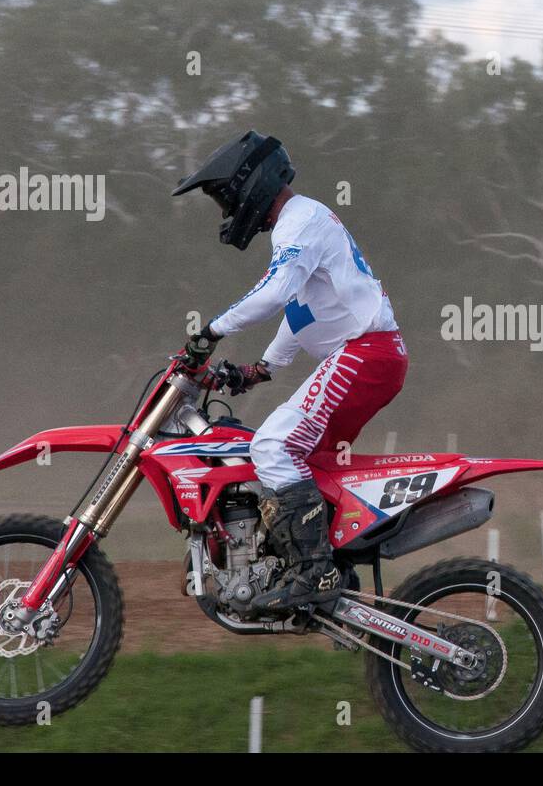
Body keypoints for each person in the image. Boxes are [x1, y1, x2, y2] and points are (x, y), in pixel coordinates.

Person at [172, 131, 407, 609]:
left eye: (225, 198)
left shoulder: (299, 222)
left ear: (251, 184)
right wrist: (259, 370)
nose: (226, 210)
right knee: (304, 462)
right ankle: (329, 570)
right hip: (370, 354)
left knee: (274, 445)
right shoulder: (303, 223)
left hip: (367, 353)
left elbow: (278, 291)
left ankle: (315, 575)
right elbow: (304, 310)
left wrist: (210, 332)